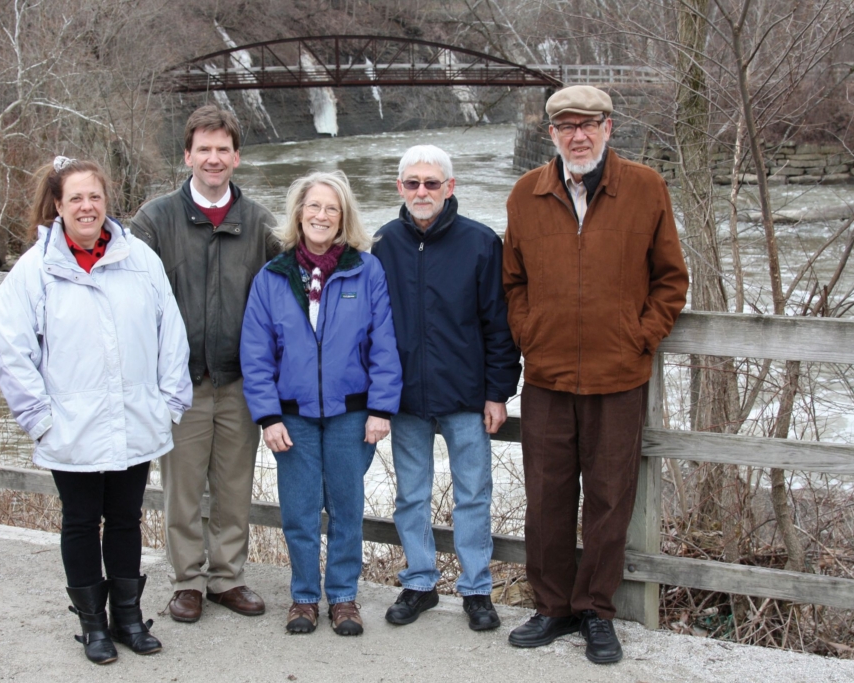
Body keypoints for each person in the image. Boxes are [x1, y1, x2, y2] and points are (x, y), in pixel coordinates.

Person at [502, 85, 688, 663]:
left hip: (618, 376)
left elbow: (671, 280)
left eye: (589, 124)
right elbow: (513, 284)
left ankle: (596, 611)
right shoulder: (526, 194)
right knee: (546, 498)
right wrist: (530, 333)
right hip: (548, 377)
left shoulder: (644, 188)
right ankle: (553, 606)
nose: (578, 135)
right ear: (550, 134)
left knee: (610, 500)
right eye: (566, 126)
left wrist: (640, 338)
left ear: (610, 128)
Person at [0, 156, 192, 664]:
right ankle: (93, 626)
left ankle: (128, 617)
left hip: (135, 418)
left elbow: (171, 334)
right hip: (70, 428)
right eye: (76, 198)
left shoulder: (139, 259)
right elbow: (12, 353)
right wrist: (40, 420)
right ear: (58, 205)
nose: (87, 206)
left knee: (125, 518)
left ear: (108, 202)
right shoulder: (34, 271)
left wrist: (168, 403)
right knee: (81, 521)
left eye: (95, 197)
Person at [131, 105, 278, 623]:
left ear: (236, 157)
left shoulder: (259, 222)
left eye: (222, 150)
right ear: (188, 155)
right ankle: (187, 581)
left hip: (241, 381)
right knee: (183, 490)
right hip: (179, 384)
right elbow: (131, 298)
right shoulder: (154, 220)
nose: (213, 159)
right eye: (203, 149)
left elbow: (287, 294)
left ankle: (227, 578)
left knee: (235, 487)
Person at [241, 170, 401, 636]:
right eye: (314, 206)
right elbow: (256, 353)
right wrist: (267, 416)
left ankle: (345, 598)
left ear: (343, 217)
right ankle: (305, 597)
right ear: (298, 213)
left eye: (332, 208)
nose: (322, 215)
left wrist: (381, 408)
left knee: (348, 507)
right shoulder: (273, 277)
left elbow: (384, 344)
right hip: (293, 417)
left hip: (352, 413)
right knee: (299, 510)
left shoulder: (365, 270)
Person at [372, 145, 521, 631]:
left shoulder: (480, 242)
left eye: (431, 183)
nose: (421, 191)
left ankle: (476, 589)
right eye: (412, 182)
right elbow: (371, 326)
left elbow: (499, 325)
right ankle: (419, 582)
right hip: (407, 397)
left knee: (474, 492)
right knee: (411, 495)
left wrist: (498, 391)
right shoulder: (384, 243)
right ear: (399, 187)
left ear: (449, 187)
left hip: (466, 395)